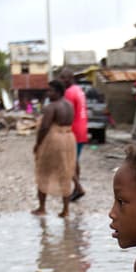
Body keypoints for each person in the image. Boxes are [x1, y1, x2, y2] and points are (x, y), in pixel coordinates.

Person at [32, 80, 77, 217]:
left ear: (58, 92)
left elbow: (45, 127)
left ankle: (42, 208)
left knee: (43, 171)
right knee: (66, 172)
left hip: (54, 139)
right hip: (69, 138)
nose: (48, 93)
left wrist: (38, 144)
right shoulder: (69, 105)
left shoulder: (51, 107)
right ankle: (65, 210)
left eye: (50, 90)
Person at [60, 69, 89, 201]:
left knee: (67, 162)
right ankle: (76, 189)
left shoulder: (69, 93)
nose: (62, 81)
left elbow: (66, 114)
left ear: (70, 78)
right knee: (74, 160)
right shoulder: (79, 90)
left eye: (63, 78)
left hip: (73, 131)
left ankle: (79, 187)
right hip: (82, 129)